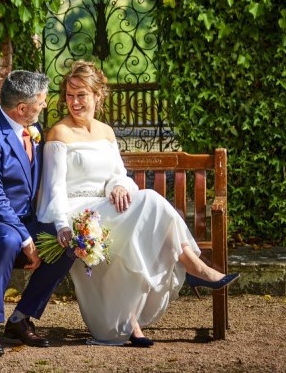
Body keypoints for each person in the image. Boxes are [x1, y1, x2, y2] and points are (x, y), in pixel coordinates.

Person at [36, 60, 239, 346]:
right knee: (151, 200)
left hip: (105, 209)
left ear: (97, 95)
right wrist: (61, 226)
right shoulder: (59, 133)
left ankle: (131, 322)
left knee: (135, 237)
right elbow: (54, 187)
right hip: (75, 214)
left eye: (81, 95)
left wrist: (119, 186)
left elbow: (118, 175)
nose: (75, 102)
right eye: (69, 95)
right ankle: (194, 267)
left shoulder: (106, 132)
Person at [0, 70, 77, 357]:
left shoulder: (32, 129)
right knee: (7, 239)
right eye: (41, 102)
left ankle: (20, 318)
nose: (44, 106)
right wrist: (25, 238)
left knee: (66, 243)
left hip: (23, 221)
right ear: (21, 108)